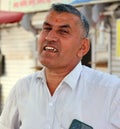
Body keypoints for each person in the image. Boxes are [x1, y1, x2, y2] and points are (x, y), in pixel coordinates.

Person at [0, 3, 120, 129]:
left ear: (83, 47)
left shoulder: (112, 92)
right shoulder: (22, 89)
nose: (50, 37)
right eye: (47, 28)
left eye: (63, 31)